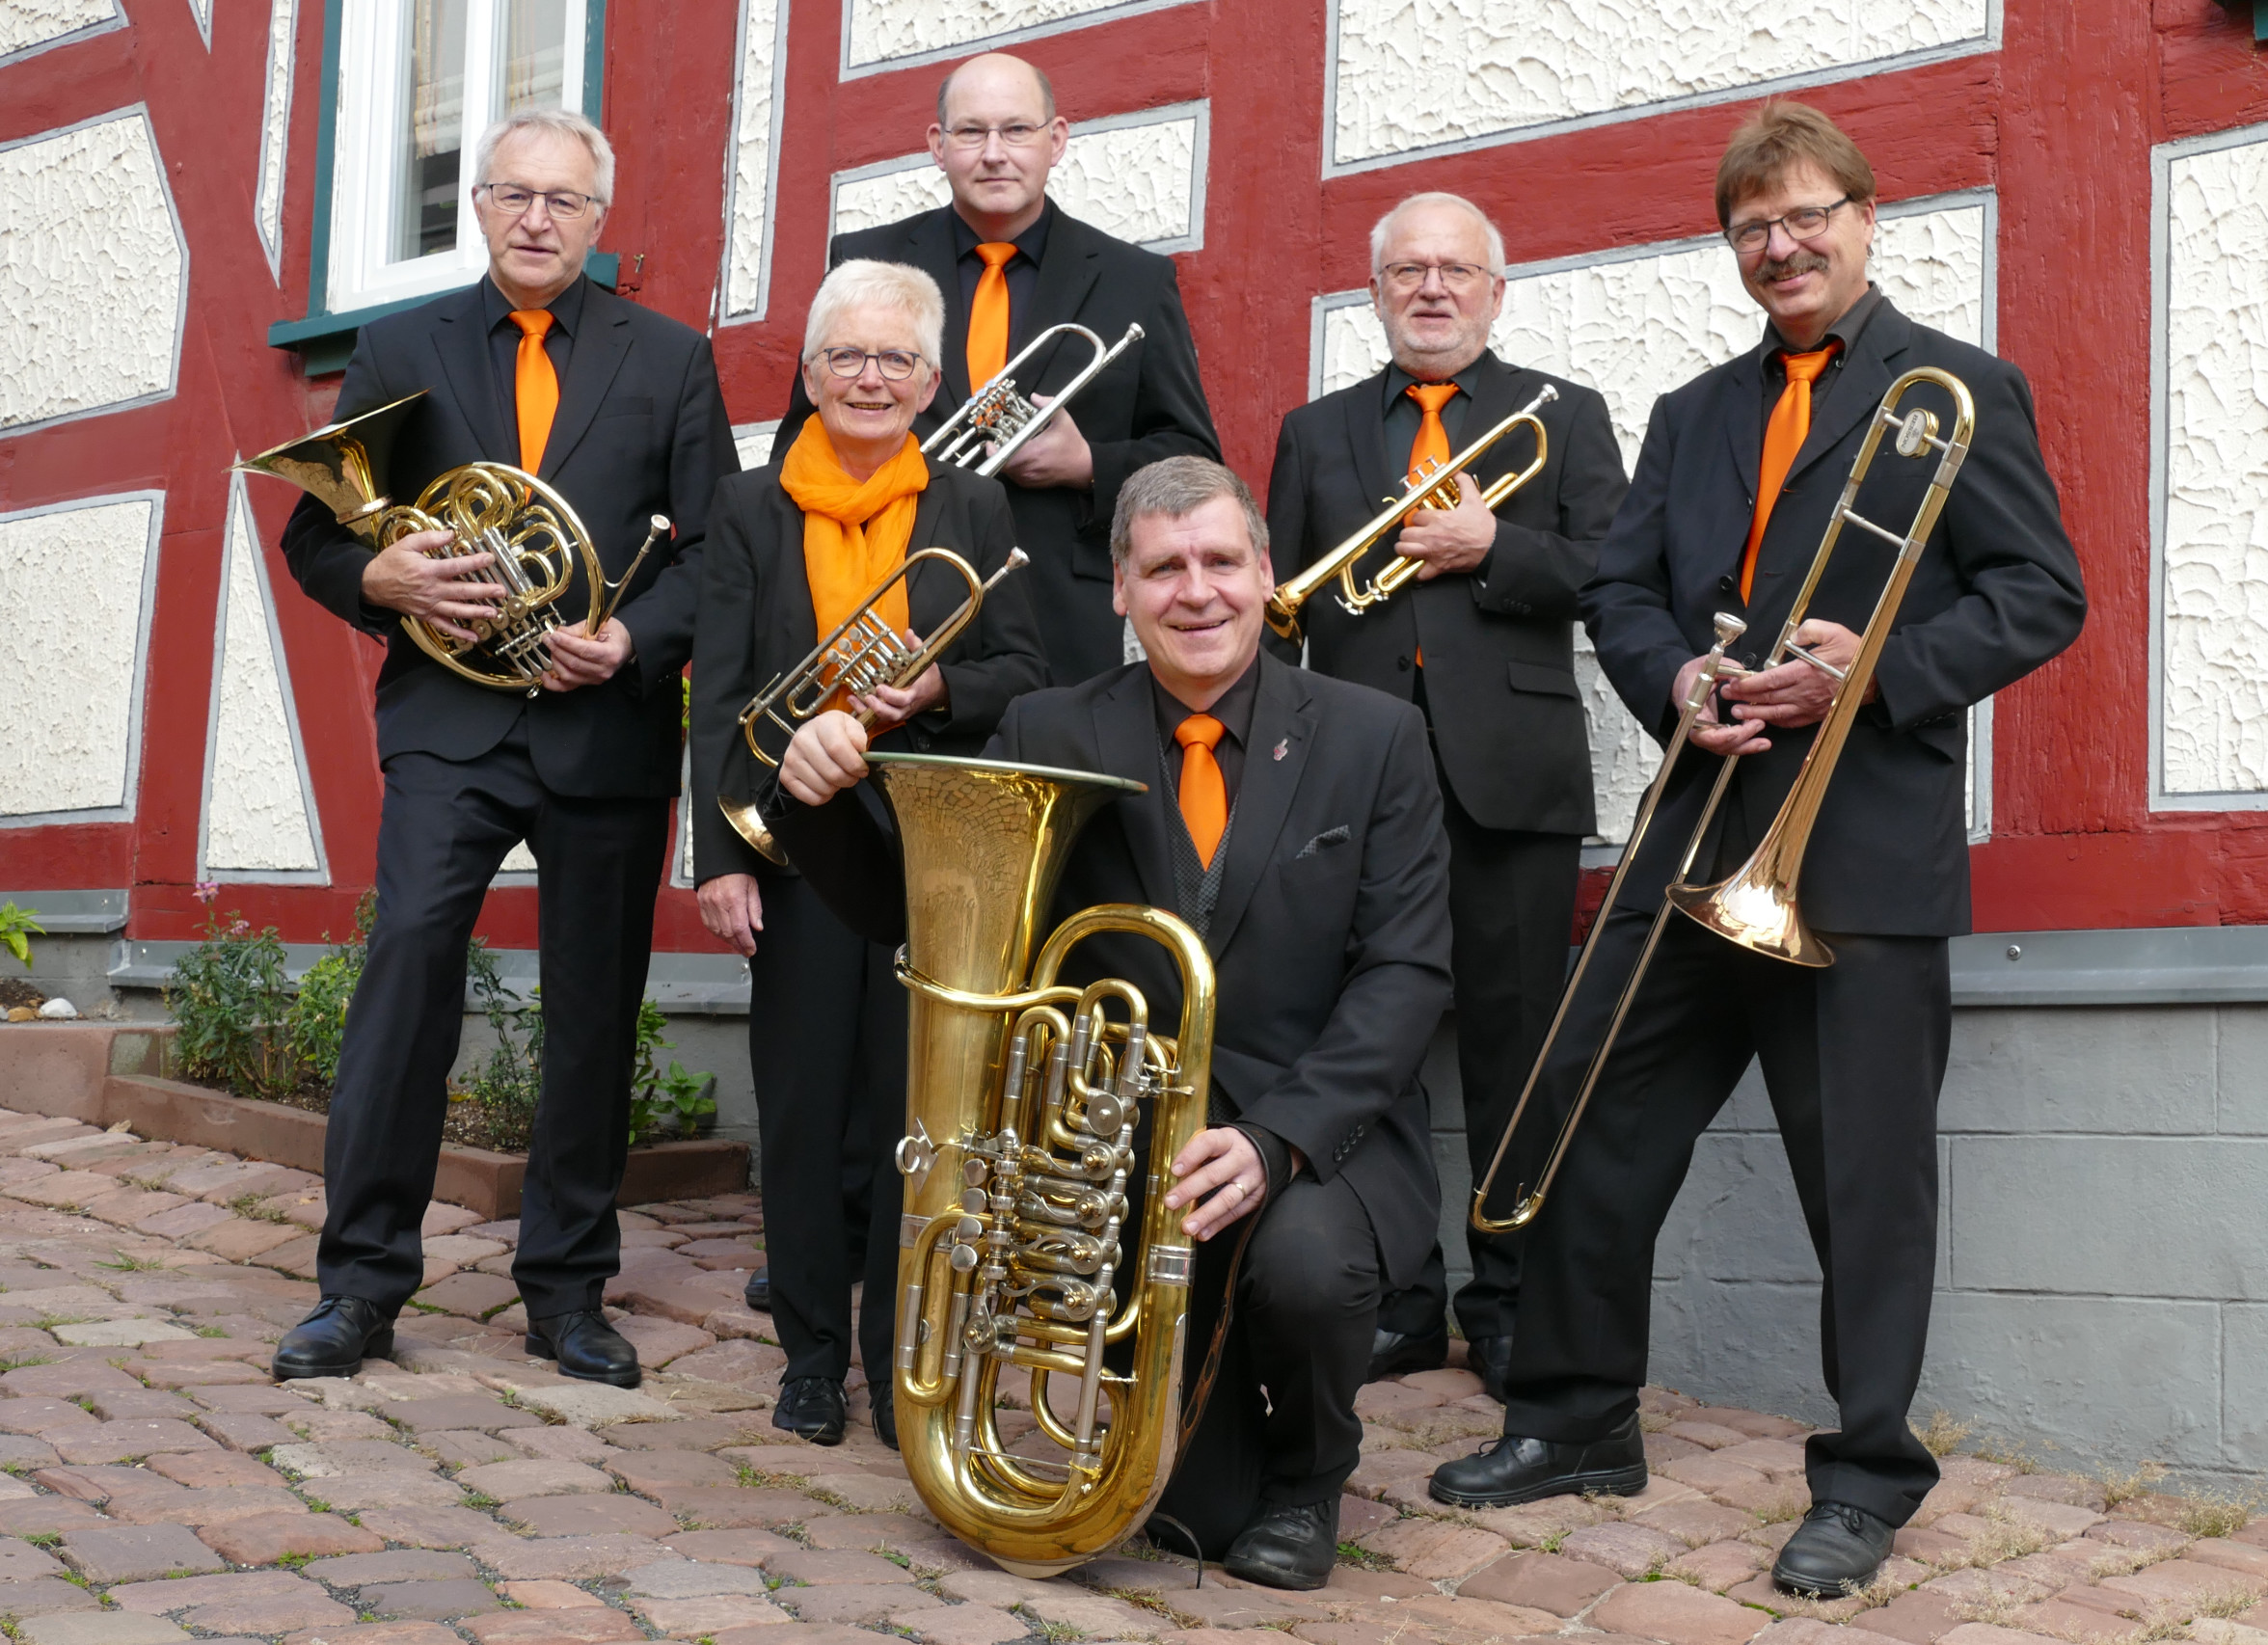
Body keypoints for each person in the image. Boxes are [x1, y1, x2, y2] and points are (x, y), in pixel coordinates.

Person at [1429, 101, 2086, 1600]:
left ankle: (1865, 1478)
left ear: (1866, 217)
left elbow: (2044, 595)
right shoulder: (1695, 411)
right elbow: (1621, 584)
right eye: (1750, 227)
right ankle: (1579, 1415)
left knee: (1863, 1180)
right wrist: (1672, 680)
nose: (1779, 246)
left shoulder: (1960, 390)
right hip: (1700, 838)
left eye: (1803, 217)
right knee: (1602, 1132)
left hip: (1856, 857)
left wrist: (1879, 669)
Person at [770, 457, 1452, 1590]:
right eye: (1164, 568)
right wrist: (818, 801)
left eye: (1220, 561)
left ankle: (1310, 1472)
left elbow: (1406, 971)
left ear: (1264, 572)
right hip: (1124, 1146)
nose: (1197, 591)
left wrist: (1278, 1136)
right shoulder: (1049, 723)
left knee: (1303, 1268)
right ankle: (1209, 1428)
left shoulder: (1374, 734)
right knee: (1195, 1518)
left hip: (1312, 1133)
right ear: (1120, 593)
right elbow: (921, 912)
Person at [274, 108, 734, 1385]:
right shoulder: (399, 345)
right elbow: (314, 535)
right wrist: (388, 580)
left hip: (603, 722)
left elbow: (713, 556)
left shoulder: (672, 359)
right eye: (514, 194)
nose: (538, 217)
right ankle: (360, 1282)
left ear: (601, 221)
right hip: (454, 720)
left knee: (594, 1008)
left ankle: (567, 1288)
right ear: (475, 204)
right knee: (409, 968)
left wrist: (635, 638)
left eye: (565, 201)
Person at [1264, 192, 1630, 1400]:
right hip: (1353, 783)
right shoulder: (1313, 432)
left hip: (1510, 781)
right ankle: (1396, 1297)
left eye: (1455, 271)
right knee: (1368, 1045)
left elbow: (1619, 575)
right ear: (1374, 292)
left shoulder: (1561, 419)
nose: (1431, 288)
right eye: (1406, 271)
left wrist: (1499, 549)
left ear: (1494, 291)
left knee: (1517, 1048)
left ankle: (1514, 1300)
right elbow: (1283, 609)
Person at [690, 260, 1043, 1448]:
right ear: (807, 372)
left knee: (914, 1114)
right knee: (797, 1109)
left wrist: (939, 682)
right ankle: (806, 1356)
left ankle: (904, 1363)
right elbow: (721, 693)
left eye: (896, 359)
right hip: (793, 852)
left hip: (930, 854)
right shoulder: (748, 507)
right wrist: (719, 855)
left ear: (932, 381)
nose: (871, 377)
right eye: (847, 355)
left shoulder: (971, 508)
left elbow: (1028, 674)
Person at [766, 51, 1220, 685]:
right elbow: (800, 438)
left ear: (1055, 140)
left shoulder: (1135, 281)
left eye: (1017, 130)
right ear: (938, 145)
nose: (994, 152)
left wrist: (1087, 464)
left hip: (1056, 616)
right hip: (887, 598)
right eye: (972, 131)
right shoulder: (866, 259)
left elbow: (1195, 462)